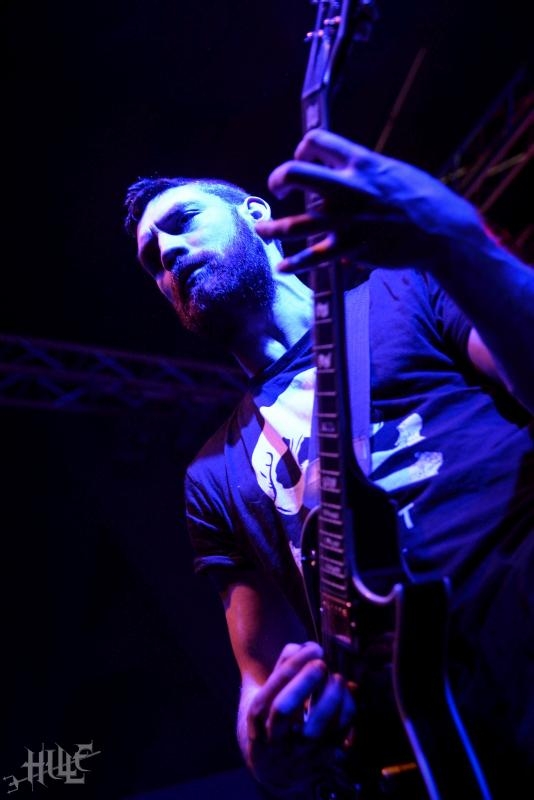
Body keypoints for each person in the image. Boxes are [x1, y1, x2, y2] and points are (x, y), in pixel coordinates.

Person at [123, 128, 534, 799]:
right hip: (435, 747)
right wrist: (269, 755)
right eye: (151, 262)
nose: (167, 252)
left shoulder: (405, 292)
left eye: (183, 220)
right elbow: (260, 675)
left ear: (257, 215)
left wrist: (458, 240)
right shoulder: (212, 475)